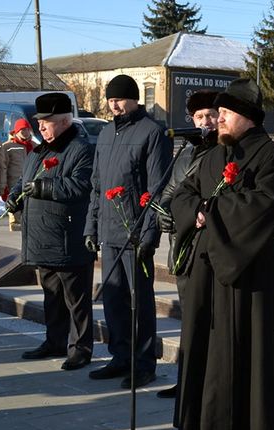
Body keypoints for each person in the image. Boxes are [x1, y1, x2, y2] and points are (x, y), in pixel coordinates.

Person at [170, 78, 274, 430]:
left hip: (250, 270)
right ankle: (210, 421)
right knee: (208, 346)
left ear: (245, 117)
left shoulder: (272, 157)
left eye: (225, 114)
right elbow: (183, 192)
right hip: (207, 270)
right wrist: (195, 209)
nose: (218, 120)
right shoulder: (213, 154)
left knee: (253, 347)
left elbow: (265, 206)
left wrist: (211, 212)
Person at [84, 74, 173, 389]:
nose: (114, 104)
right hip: (109, 233)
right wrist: (91, 226)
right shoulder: (106, 134)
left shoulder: (152, 133)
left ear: (135, 99)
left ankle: (144, 363)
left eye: (119, 99)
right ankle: (120, 357)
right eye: (110, 99)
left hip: (135, 233)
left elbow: (157, 189)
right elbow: (97, 186)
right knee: (113, 299)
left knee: (140, 301)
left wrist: (149, 234)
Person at [5, 93, 96, 371]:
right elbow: (26, 178)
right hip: (43, 237)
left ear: (65, 121)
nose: (41, 127)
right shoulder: (40, 149)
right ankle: (54, 341)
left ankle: (80, 348)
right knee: (51, 295)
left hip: (68, 236)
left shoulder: (81, 149)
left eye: (47, 122)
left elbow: (82, 185)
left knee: (76, 300)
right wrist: (15, 195)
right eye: (39, 122)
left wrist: (46, 188)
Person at [154, 89, 219, 399]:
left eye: (210, 116)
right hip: (182, 248)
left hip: (207, 247)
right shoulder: (184, 152)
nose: (205, 122)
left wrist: (184, 214)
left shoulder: (223, 152)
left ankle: (205, 388)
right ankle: (186, 382)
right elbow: (169, 191)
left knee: (208, 321)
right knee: (190, 320)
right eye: (199, 117)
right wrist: (164, 214)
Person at [1, 118, 34, 231]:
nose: (25, 132)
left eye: (27, 129)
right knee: (15, 221)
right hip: (13, 188)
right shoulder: (7, 147)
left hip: (30, 188)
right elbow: (3, 168)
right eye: (22, 130)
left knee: (29, 220)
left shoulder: (35, 147)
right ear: (16, 131)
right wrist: (4, 188)